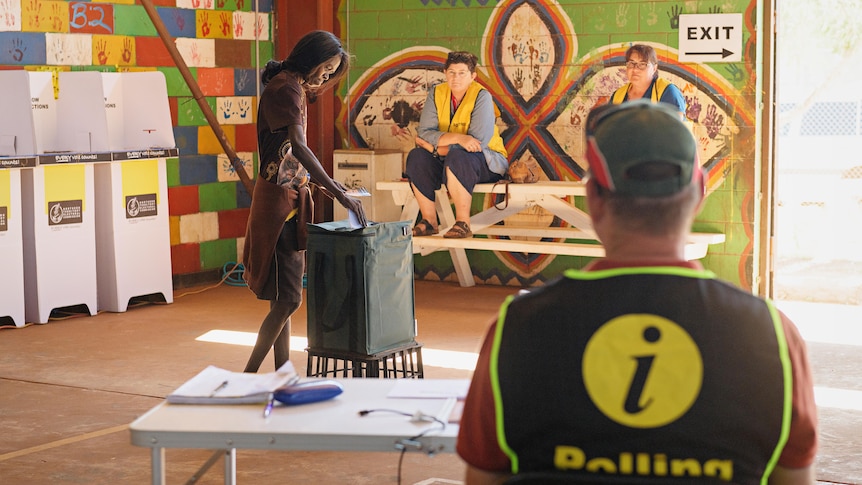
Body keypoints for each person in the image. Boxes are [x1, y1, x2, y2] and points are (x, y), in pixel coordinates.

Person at [456, 101, 818, 484]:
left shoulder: (517, 330)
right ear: (698, 194)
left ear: (593, 199)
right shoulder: (770, 335)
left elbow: (482, 479)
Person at [241, 30, 367, 373]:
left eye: (331, 71)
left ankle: (283, 374)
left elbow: (292, 157)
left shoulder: (292, 86)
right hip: (278, 206)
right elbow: (297, 145)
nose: (325, 75)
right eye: (325, 67)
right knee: (289, 300)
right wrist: (336, 191)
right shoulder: (285, 88)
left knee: (282, 299)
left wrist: (327, 186)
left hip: (289, 201)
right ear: (310, 58)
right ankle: (249, 375)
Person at [405, 51, 508, 239]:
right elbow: (425, 133)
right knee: (417, 157)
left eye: (462, 73)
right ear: (445, 73)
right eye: (452, 72)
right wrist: (458, 139)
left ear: (472, 76)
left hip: (487, 161)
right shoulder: (436, 93)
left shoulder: (482, 97)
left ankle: (462, 223)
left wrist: (434, 147)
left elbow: (476, 143)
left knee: (458, 156)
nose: (456, 78)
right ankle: (429, 221)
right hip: (448, 159)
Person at [610, 44, 686, 115]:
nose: (635, 69)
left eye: (642, 64)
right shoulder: (618, 95)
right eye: (631, 63)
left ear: (654, 68)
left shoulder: (667, 91)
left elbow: (676, 126)